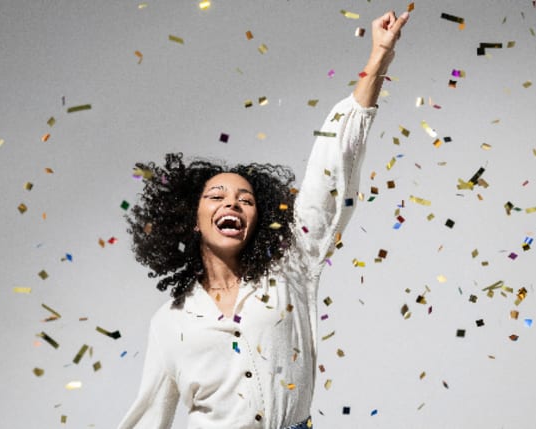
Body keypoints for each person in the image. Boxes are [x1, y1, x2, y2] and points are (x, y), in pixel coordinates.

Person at [119, 9, 409, 429]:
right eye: (216, 196)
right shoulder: (170, 322)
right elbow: (148, 416)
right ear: (193, 220)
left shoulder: (291, 269)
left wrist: (378, 59)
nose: (232, 204)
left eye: (246, 199)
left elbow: (330, 170)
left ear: (259, 217)